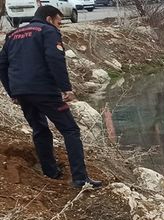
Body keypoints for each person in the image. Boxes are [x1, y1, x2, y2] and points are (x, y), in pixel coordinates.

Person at [0, 6, 101, 188]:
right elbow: (55, 59)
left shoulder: (13, 35)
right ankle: (80, 178)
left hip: (22, 92)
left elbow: (2, 65)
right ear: (49, 19)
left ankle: (50, 172)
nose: (59, 26)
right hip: (44, 91)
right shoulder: (48, 31)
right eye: (58, 22)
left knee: (40, 129)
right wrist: (66, 88)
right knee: (70, 130)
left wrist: (12, 92)